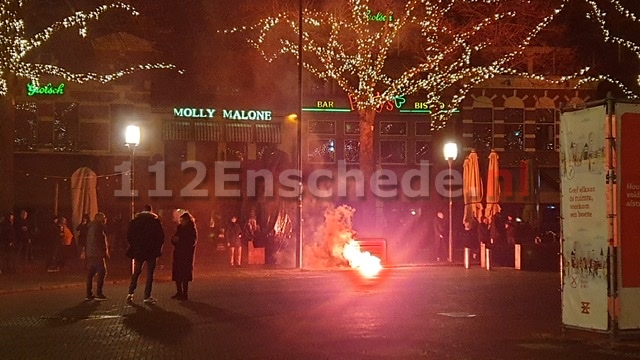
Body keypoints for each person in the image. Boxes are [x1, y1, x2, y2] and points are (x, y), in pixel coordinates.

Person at [126, 204, 165, 305]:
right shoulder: (155, 221)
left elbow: (129, 235)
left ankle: (130, 293)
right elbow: (161, 237)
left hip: (139, 250)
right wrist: (157, 248)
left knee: (137, 271)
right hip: (151, 251)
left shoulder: (135, 222)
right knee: (150, 274)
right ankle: (147, 296)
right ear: (151, 211)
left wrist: (134, 245)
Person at [171, 212, 197, 300]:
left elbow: (192, 242)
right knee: (177, 273)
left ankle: (184, 293)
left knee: (184, 274)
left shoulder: (191, 229)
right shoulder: (179, 228)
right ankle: (179, 292)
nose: (181, 222)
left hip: (186, 254)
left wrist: (180, 240)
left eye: (182, 220)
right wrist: (174, 240)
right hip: (178, 253)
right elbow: (174, 238)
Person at [82, 212, 109, 301]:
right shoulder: (98, 227)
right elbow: (99, 241)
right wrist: (104, 252)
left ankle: (89, 294)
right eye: (103, 217)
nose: (105, 219)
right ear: (98, 218)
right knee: (102, 272)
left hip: (91, 253)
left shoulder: (90, 226)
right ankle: (99, 293)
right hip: (97, 254)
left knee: (91, 273)